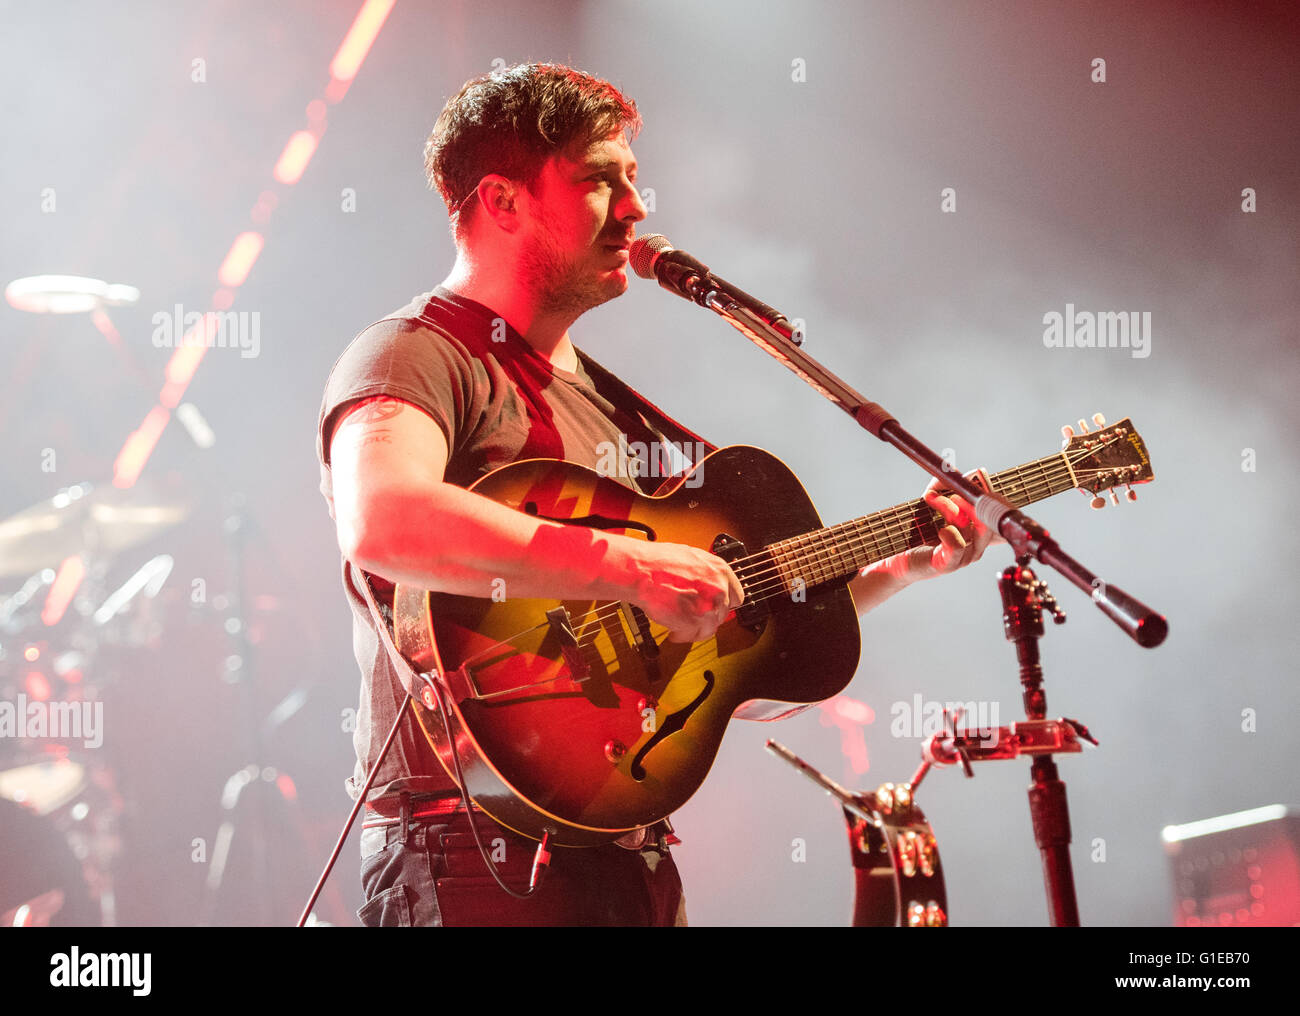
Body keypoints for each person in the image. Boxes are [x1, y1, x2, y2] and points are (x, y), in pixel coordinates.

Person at [315, 62, 996, 927]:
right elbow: (384, 520)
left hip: (628, 859)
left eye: (634, 181)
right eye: (601, 181)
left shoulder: (618, 411)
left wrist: (898, 568)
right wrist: (629, 566)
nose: (636, 211)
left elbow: (734, 641)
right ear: (503, 200)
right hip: (471, 861)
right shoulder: (413, 355)